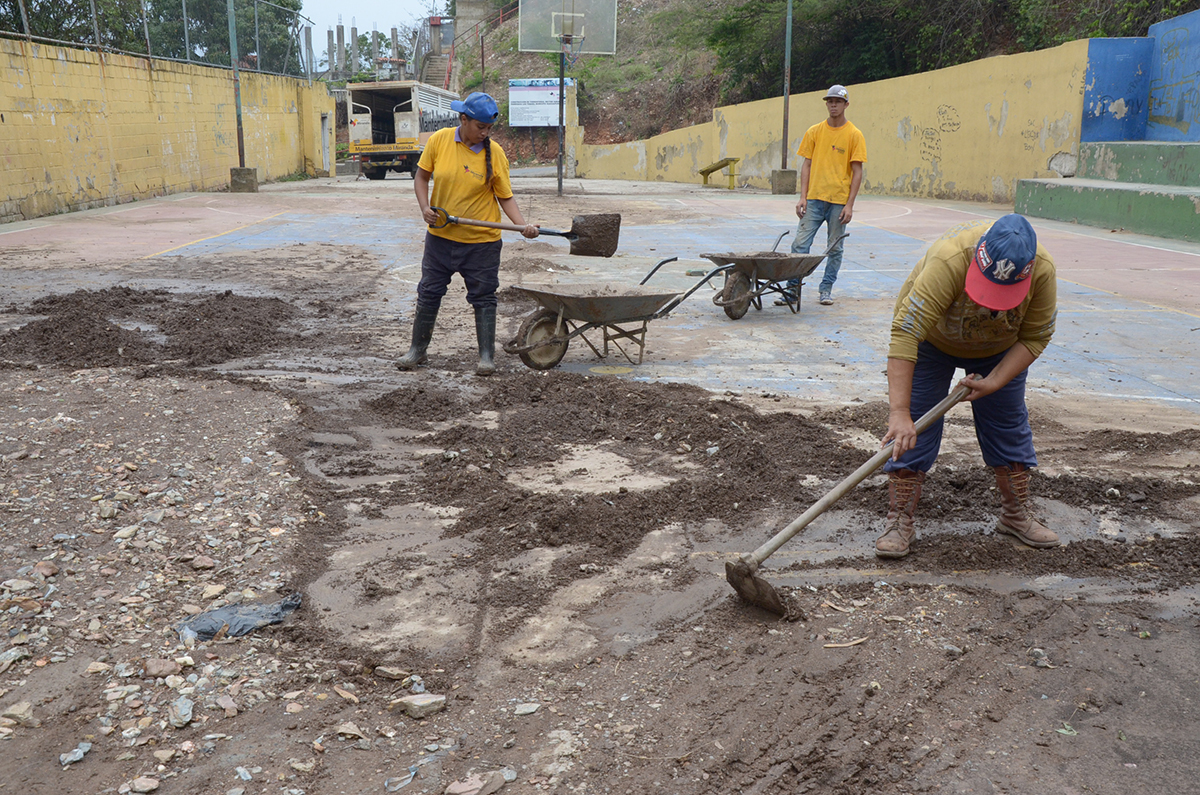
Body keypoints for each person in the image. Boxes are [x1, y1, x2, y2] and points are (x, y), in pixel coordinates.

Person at [875, 213, 1060, 559]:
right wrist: (899, 412)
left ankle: (1015, 514)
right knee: (913, 426)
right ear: (981, 257)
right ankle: (899, 518)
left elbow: (1036, 335)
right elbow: (906, 332)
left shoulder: (1042, 271)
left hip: (999, 350)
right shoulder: (949, 259)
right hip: (932, 341)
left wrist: (995, 381)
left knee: (1008, 426)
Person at [396, 91, 539, 376]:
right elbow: (422, 177)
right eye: (480, 127)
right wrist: (425, 207)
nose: (485, 133)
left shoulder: (494, 153)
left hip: (481, 244)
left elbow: (505, 197)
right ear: (464, 119)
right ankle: (418, 350)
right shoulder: (439, 140)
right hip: (440, 237)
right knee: (429, 292)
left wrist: (522, 225)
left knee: (484, 297)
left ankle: (486, 356)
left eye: (489, 128)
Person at [784, 84, 867, 307]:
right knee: (800, 245)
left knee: (835, 248)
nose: (833, 105)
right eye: (830, 101)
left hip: (838, 203)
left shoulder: (854, 135)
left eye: (838, 101)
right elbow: (807, 165)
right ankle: (792, 291)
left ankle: (826, 289)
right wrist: (803, 197)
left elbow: (857, 171)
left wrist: (850, 205)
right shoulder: (814, 131)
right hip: (814, 200)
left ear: (846, 104)